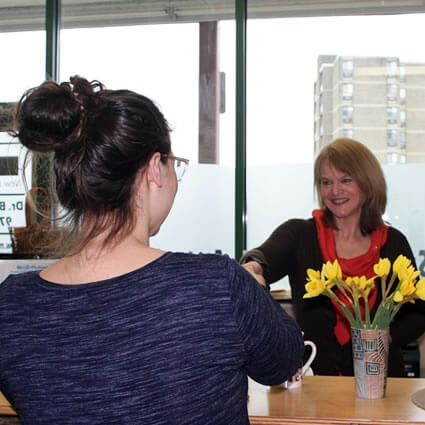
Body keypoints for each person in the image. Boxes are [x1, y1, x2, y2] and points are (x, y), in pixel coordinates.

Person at [0, 76, 304, 425]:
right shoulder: (216, 285)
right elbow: (284, 360)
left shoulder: (10, 306)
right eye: (174, 164)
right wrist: (254, 293)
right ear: (153, 170)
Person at [241, 137, 425, 377]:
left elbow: (419, 311)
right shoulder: (300, 235)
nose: (335, 191)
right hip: (315, 386)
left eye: (345, 180)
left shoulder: (393, 243)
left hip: (381, 384)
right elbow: (262, 257)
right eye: (326, 182)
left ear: (368, 183)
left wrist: (385, 336)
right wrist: (253, 266)